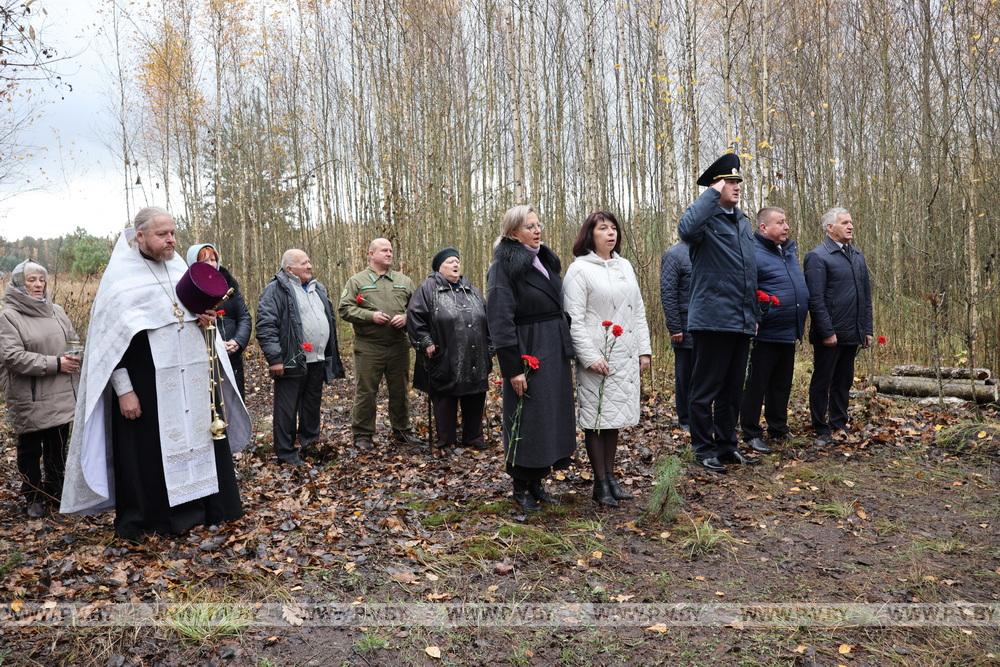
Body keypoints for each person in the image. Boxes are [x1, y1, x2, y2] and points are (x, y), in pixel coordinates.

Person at [60, 207, 249, 540]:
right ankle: (160, 519)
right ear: (140, 236)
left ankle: (206, 509)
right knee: (151, 453)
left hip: (190, 384)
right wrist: (123, 389)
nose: (171, 240)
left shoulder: (179, 269)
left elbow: (196, 320)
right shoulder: (119, 280)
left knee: (201, 443)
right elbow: (108, 346)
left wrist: (207, 322)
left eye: (173, 233)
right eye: (163, 234)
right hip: (147, 388)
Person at [486, 205, 576, 512]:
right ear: (513, 233)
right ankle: (520, 484)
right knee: (526, 415)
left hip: (553, 346)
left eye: (539, 225)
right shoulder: (503, 266)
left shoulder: (543, 262)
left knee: (548, 416)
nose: (537, 231)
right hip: (528, 348)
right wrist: (514, 368)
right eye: (529, 226)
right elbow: (499, 319)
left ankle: (538, 480)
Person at [678, 153, 760, 474]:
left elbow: (748, 272)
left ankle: (727, 445)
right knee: (705, 389)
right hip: (712, 319)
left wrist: (753, 312)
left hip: (740, 320)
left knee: (731, 390)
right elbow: (685, 230)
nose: (736, 187)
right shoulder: (705, 221)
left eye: (738, 181)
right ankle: (703, 447)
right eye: (730, 181)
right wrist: (711, 193)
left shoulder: (742, 222)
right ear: (716, 185)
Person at [563, 211, 652, 506]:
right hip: (597, 355)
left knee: (613, 419)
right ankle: (599, 483)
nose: (611, 233)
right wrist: (588, 357)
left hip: (623, 353)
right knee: (595, 419)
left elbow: (637, 309)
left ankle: (612, 478)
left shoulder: (625, 265)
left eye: (614, 228)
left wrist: (643, 349)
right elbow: (572, 319)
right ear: (590, 234)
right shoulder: (579, 270)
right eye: (603, 228)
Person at [0, 260, 81, 518]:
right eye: (31, 280)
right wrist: (56, 363)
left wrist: (75, 355)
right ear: (18, 283)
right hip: (30, 393)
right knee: (31, 448)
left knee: (57, 445)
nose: (37, 285)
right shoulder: (8, 315)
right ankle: (32, 496)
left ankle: (55, 492)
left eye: (41, 280)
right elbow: (12, 356)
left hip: (61, 390)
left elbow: (72, 338)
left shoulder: (55, 310)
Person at [257, 249, 345, 465]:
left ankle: (310, 444)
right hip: (290, 359)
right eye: (304, 263)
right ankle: (286, 453)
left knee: (311, 405)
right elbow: (266, 325)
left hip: (317, 358)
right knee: (287, 408)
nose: (309, 266)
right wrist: (275, 358)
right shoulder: (276, 290)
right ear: (290, 269)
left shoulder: (318, 288)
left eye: (309, 261)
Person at [406, 247, 491, 456]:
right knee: (445, 396)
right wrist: (425, 341)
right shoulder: (428, 288)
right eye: (450, 262)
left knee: (475, 393)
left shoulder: (469, 288)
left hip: (476, 354)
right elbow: (415, 317)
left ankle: (473, 436)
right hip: (444, 354)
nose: (456, 265)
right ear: (439, 268)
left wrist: (490, 346)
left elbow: (486, 317)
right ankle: (447, 440)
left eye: (457, 262)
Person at [739, 207, 809, 454]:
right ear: (763, 228)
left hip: (788, 331)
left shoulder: (788, 252)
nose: (786, 227)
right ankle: (750, 431)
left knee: (781, 383)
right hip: (764, 332)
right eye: (780, 222)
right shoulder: (753, 253)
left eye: (786, 221)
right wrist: (757, 316)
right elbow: (747, 290)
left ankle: (778, 427)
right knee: (757, 384)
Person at [338, 238, 419, 450]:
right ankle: (363, 434)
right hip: (368, 346)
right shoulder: (357, 281)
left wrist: (407, 317)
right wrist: (370, 316)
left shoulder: (404, 281)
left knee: (400, 389)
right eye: (384, 250)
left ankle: (401, 430)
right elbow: (344, 309)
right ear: (371, 254)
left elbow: (419, 308)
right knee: (366, 391)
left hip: (398, 344)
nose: (389, 254)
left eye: (391, 250)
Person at [804, 207, 873, 444]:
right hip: (830, 335)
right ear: (829, 228)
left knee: (844, 380)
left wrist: (867, 329)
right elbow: (816, 299)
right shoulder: (818, 257)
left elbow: (865, 296)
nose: (850, 226)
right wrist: (827, 331)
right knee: (823, 380)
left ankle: (839, 422)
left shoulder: (857, 255)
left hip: (852, 332)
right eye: (844, 222)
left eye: (851, 222)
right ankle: (820, 426)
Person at [186, 243, 252, 397]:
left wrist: (237, 341)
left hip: (231, 356)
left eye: (213, 259)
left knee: (234, 404)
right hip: (203, 359)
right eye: (205, 261)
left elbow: (244, 317)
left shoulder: (230, 286)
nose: (211, 264)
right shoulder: (187, 289)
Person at [660, 240, 693, 432]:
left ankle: (701, 417)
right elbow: (668, 291)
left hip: (707, 327)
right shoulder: (675, 254)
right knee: (685, 376)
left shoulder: (708, 250)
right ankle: (686, 419)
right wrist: (675, 327)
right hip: (685, 327)